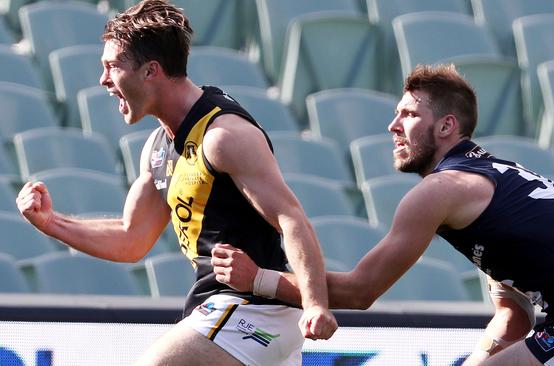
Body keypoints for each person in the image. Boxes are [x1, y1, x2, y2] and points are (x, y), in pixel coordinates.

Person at [211, 64, 554, 365]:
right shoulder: (492, 185)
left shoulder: (441, 190)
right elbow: (513, 315)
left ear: (446, 127)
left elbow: (361, 292)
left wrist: (259, 281)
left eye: (408, 114)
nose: (393, 126)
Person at [15, 0, 337, 365]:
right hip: (229, 313)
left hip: (252, 311)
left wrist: (315, 305)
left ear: (151, 70)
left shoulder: (223, 136)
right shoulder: (158, 147)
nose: (103, 80)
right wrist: (52, 223)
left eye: (111, 67)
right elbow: (131, 238)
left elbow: (290, 218)